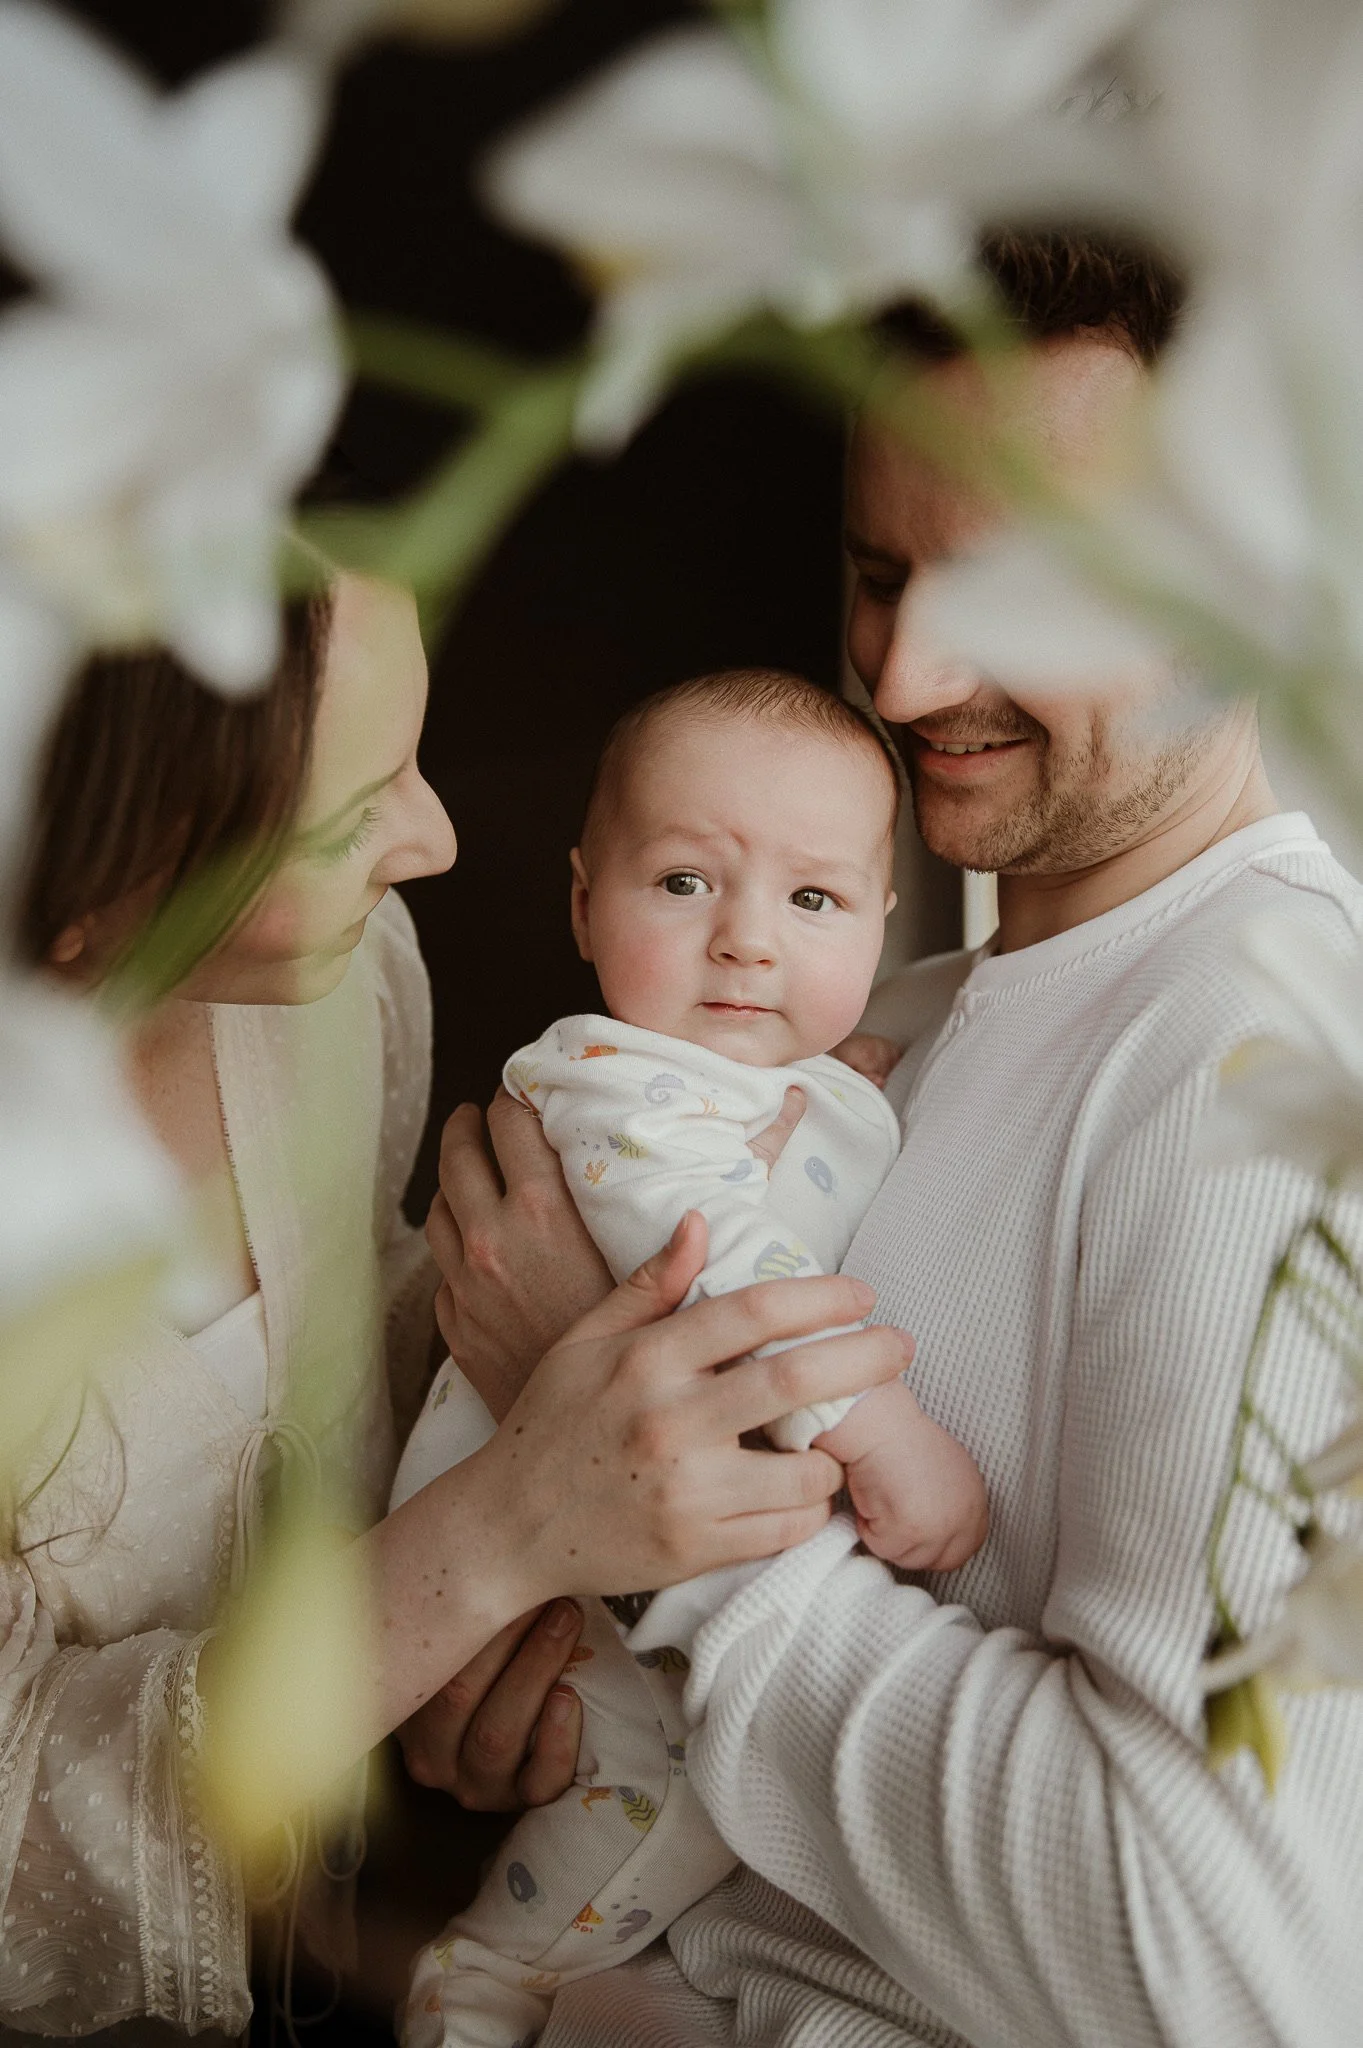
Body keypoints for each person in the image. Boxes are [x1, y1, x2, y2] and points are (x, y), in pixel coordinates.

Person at [424, 230, 1363, 2047]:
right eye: (877, 572)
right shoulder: (883, 1028)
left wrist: (654, 1468)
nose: (907, 676)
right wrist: (533, 1612)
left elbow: (1227, 1975)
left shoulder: (1275, 1083)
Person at [0, 573, 906, 2040]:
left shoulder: (340, 985)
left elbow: (370, 1374)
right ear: (92, 884)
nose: (435, 838)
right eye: (352, 808)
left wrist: (465, 1656)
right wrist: (487, 1543)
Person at [399, 668, 987, 2047]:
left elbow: (804, 1136)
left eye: (811, 902)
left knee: (698, 1833)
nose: (745, 945)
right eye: (682, 884)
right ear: (581, 901)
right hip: (566, 1583)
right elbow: (716, 1252)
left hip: (647, 1560)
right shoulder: (601, 1077)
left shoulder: (808, 1075)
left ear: (880, 921)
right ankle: (477, 1985)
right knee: (648, 1816)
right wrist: (879, 1424)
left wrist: (856, 1083)